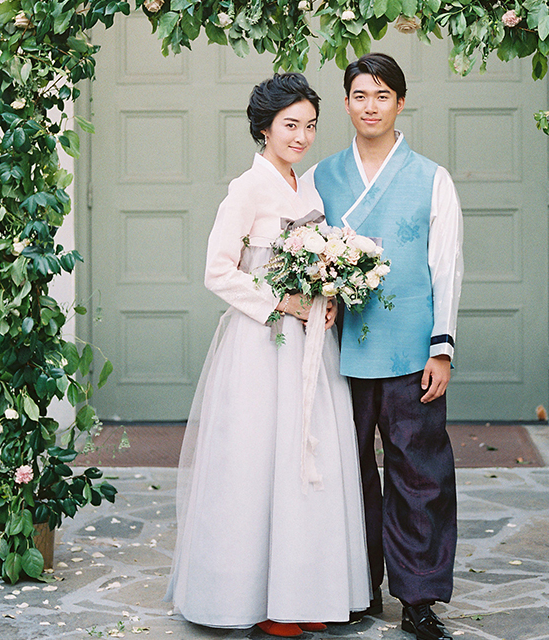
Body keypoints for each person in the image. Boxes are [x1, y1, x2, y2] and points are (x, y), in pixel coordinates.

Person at [165, 73, 371, 638]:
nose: (302, 136)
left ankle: (301, 593)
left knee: (308, 464)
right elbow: (217, 271)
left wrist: (326, 300)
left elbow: (319, 263)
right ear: (264, 128)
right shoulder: (246, 190)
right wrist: (281, 302)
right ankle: (252, 598)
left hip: (308, 348)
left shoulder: (308, 189)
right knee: (255, 464)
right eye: (290, 126)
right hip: (260, 346)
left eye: (309, 126)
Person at [308, 53, 463, 640]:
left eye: (382, 95)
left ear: (400, 102)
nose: (370, 106)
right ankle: (353, 585)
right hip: (339, 354)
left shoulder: (431, 178)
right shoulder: (322, 178)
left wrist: (441, 348)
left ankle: (419, 598)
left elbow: (444, 267)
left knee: (419, 475)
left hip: (410, 352)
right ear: (346, 104)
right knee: (345, 475)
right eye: (358, 95)